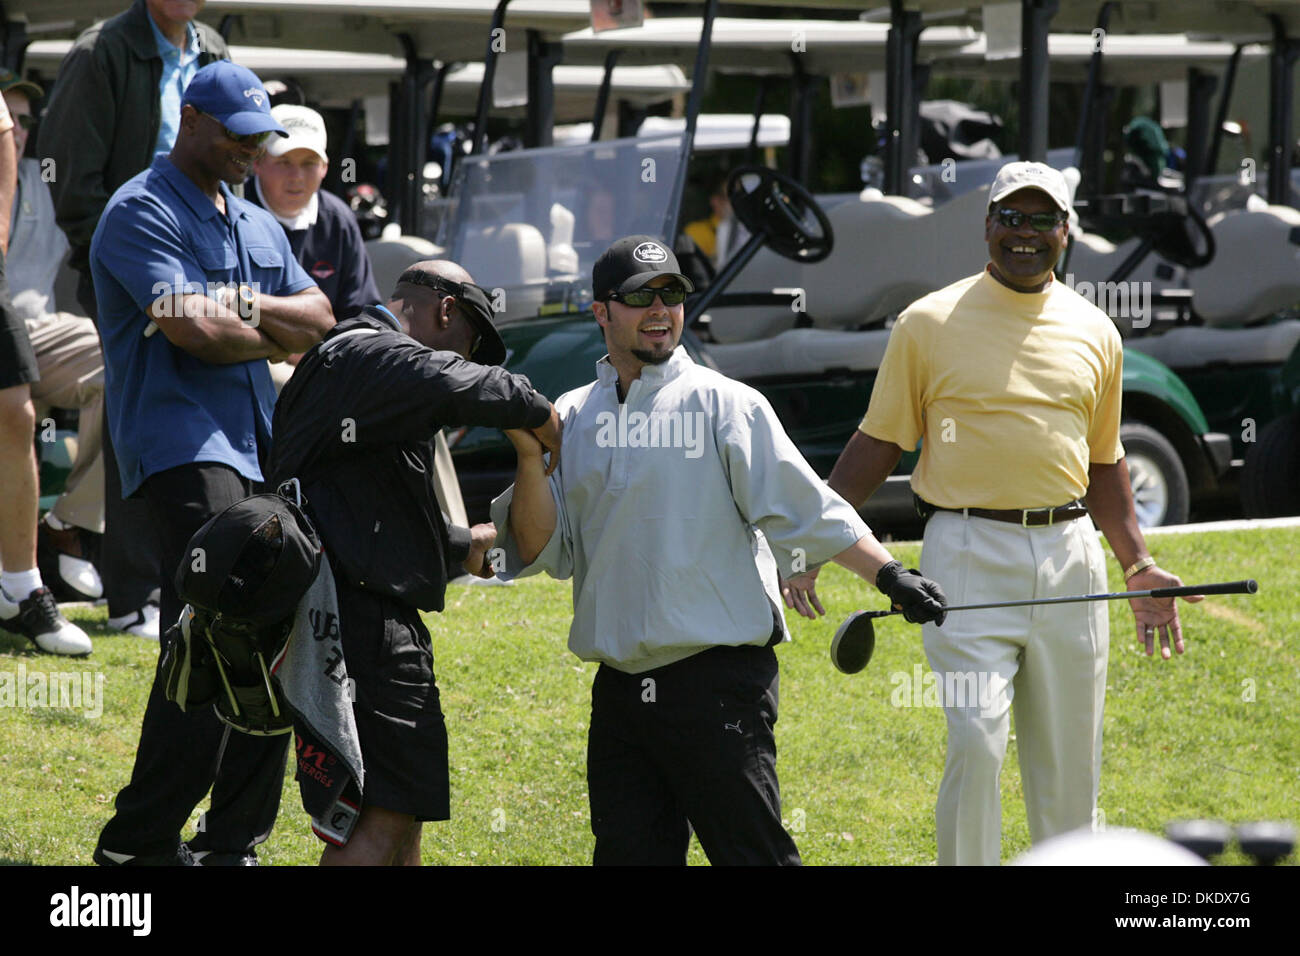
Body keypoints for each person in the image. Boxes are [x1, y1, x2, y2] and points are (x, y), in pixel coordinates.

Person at [491, 235, 946, 866]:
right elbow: (542, 549)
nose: (660, 308)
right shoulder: (571, 415)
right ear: (601, 312)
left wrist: (891, 575)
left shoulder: (725, 403)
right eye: (640, 296)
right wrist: (527, 452)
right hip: (620, 692)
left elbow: (810, 510)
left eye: (672, 293)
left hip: (717, 684)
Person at [819, 161, 1203, 865]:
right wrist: (817, 536)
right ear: (987, 226)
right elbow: (878, 442)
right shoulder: (927, 323)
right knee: (975, 738)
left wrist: (1138, 563)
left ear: (1067, 231)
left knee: (1069, 768)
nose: (1024, 235)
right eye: (1011, 219)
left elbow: (1105, 463)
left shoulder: (1097, 332)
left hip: (1070, 558)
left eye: (1042, 221)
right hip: (964, 554)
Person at [90, 61, 334, 866]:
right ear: (191, 119)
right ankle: (138, 843)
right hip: (178, 444)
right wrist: (260, 325)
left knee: (274, 623)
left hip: (260, 443)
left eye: (259, 138)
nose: (250, 150)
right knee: (212, 629)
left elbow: (321, 317)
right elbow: (191, 333)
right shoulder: (137, 212)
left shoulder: (257, 220)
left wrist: (232, 308)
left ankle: (233, 843)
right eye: (238, 134)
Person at [267, 259, 562, 865]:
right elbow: (468, 384)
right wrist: (541, 419)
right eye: (468, 348)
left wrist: (456, 545)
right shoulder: (369, 353)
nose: (469, 362)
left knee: (397, 810)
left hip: (344, 611)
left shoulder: (349, 373)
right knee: (381, 817)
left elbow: (352, 507)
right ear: (446, 309)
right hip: (363, 623)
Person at [38, 0, 231, 640]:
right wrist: (127, 260)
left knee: (204, 406)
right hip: (124, 262)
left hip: (208, 261)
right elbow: (70, 183)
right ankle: (134, 598)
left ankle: (196, 583)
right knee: (140, 408)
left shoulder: (213, 48)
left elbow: (237, 165)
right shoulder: (100, 53)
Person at [1, 70, 108, 606]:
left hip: (39, 336)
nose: (16, 130)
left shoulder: (44, 181)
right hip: (6, 349)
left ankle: (68, 520)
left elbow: (97, 225)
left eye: (23, 121)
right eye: (6, 117)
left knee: (128, 363)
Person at [247, 104, 381, 324]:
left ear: (324, 168)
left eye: (309, 163)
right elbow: (224, 305)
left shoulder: (339, 220)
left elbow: (360, 312)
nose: (296, 176)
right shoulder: (230, 212)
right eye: (284, 162)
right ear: (258, 162)